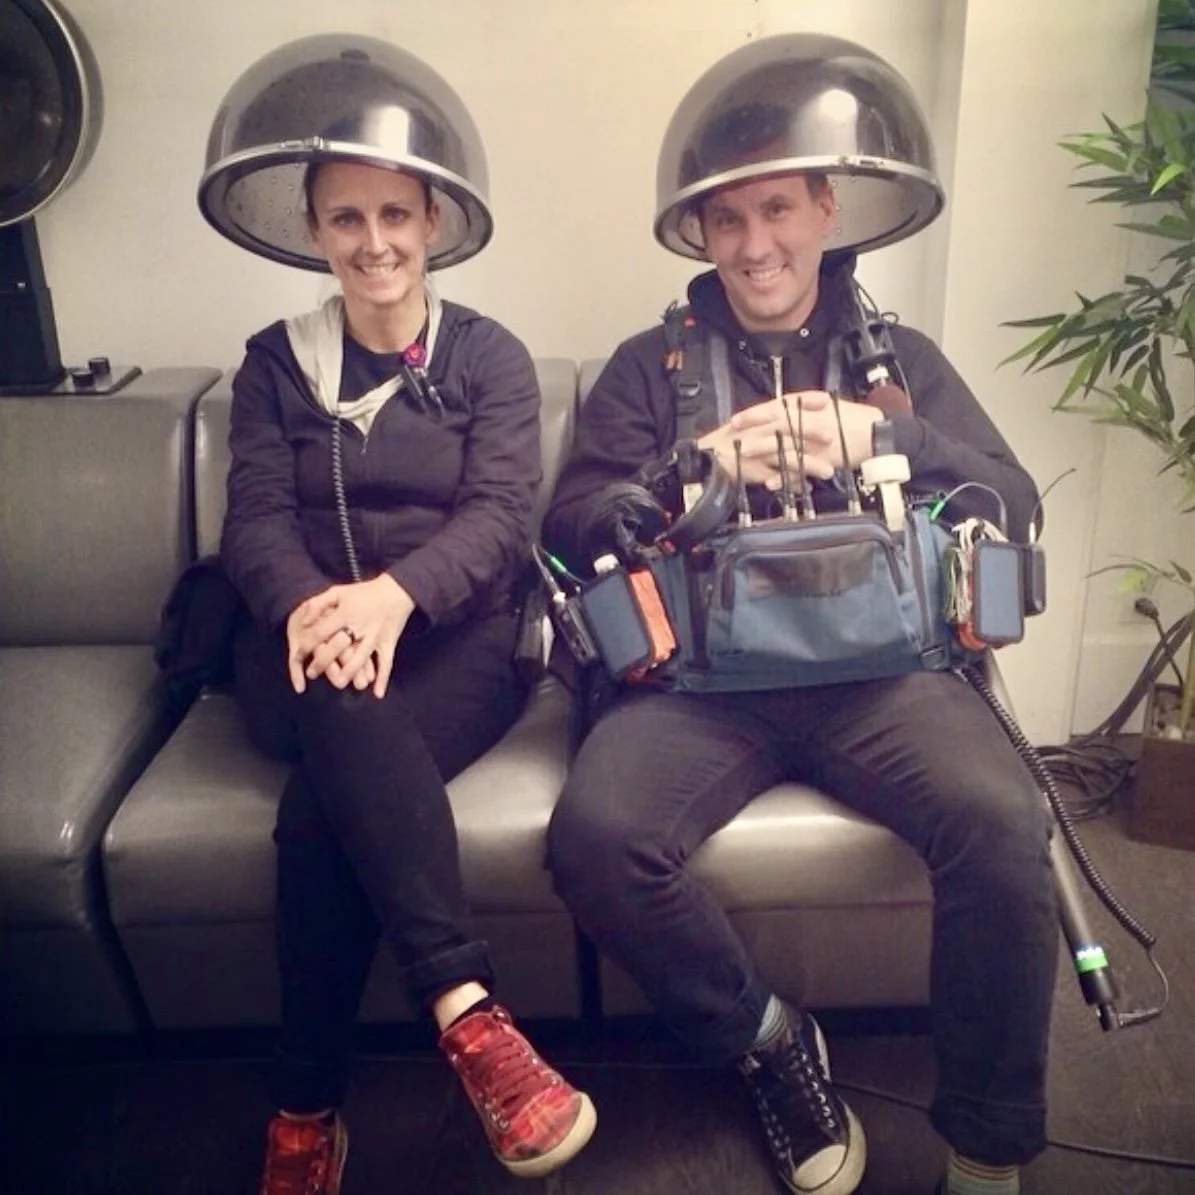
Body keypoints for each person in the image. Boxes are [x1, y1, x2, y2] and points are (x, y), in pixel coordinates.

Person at [541, 35, 1055, 1195]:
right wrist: (687, 470)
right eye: (728, 220)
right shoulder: (645, 366)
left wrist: (885, 439)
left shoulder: (900, 362)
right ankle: (771, 1044)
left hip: (887, 677)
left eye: (778, 208)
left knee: (1002, 821)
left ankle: (985, 1147)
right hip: (703, 684)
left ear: (826, 207)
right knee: (593, 839)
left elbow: (1010, 504)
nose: (756, 243)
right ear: (699, 234)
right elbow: (571, 526)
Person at [220, 153, 596, 1194]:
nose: (373, 240)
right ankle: (469, 1017)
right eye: (346, 218)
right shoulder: (274, 366)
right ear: (313, 231)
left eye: (394, 213)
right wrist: (316, 608)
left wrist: (393, 598)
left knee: (315, 818)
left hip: (455, 647)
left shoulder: (489, 358)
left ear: (433, 219)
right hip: (304, 640)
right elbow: (253, 519)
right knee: (343, 697)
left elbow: (498, 517)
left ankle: (304, 1108)